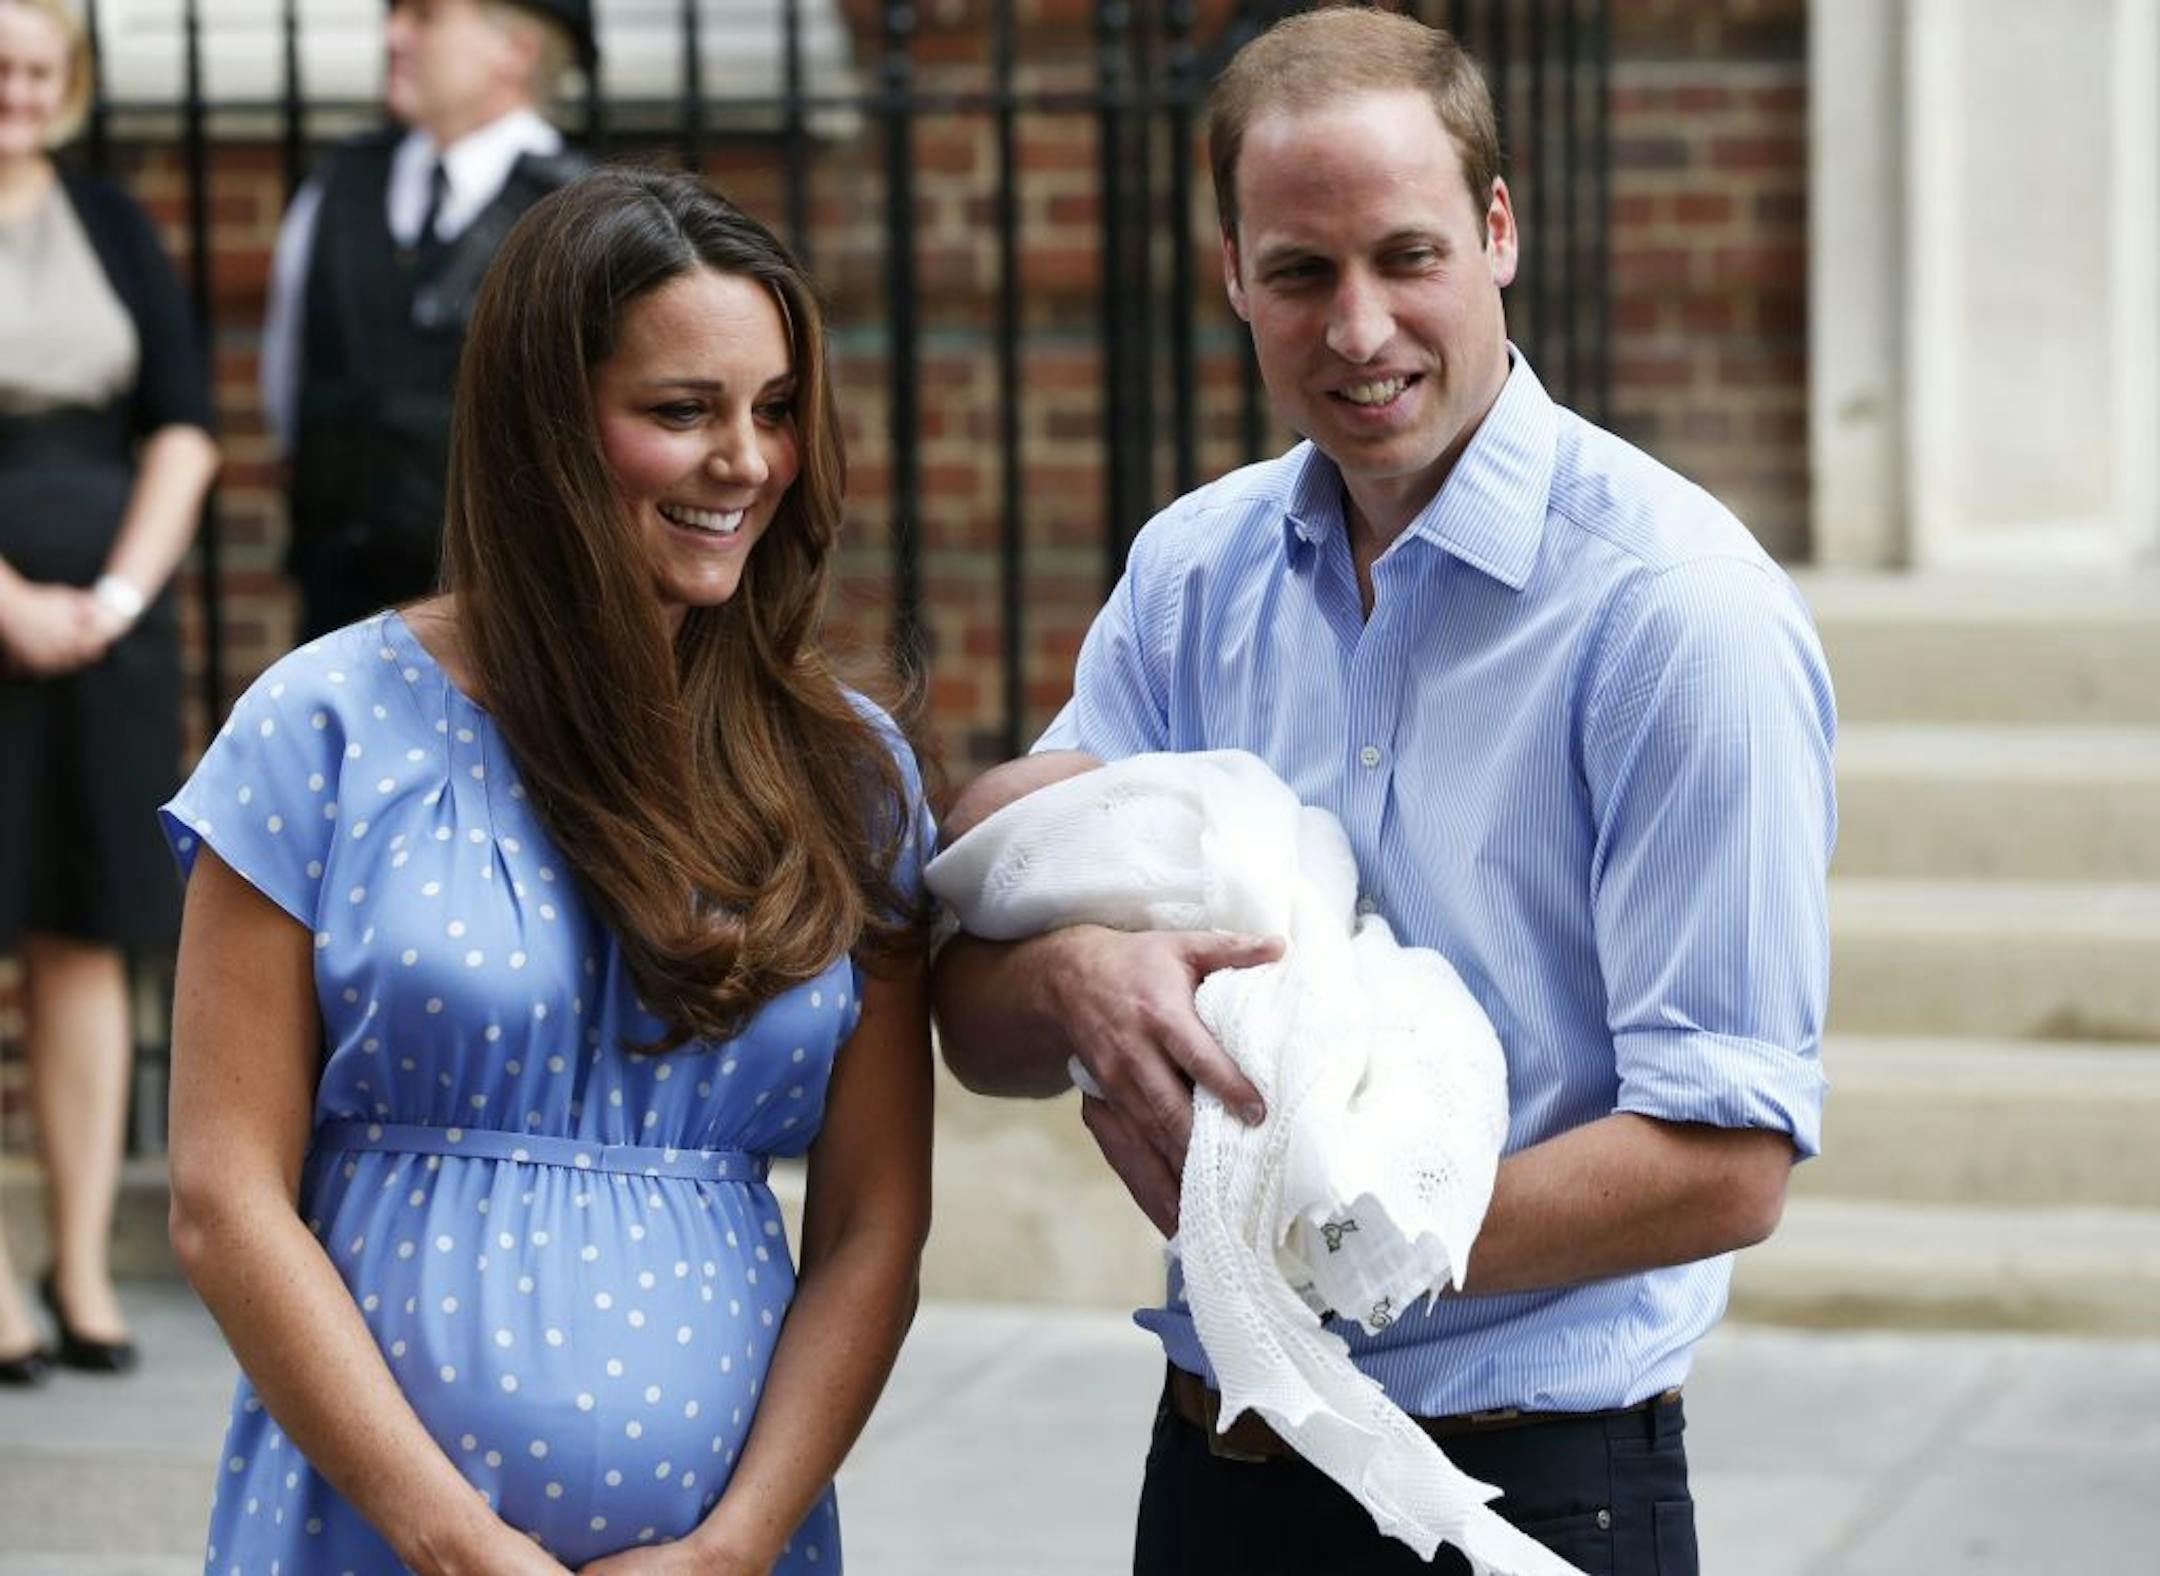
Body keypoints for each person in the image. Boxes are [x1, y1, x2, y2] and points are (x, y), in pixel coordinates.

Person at [931, 10, 1835, 1574]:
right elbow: (977, 1016)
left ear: (1497, 233)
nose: (1358, 330)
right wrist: (1077, 976)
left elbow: (1729, 1155)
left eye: (1405, 257)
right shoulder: (1187, 577)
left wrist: (1327, 1219)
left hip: (1532, 1490)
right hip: (1216, 1461)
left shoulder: (1679, 611)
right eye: (1299, 272)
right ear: (1232, 274)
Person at [162, 167, 934, 1573]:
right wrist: (457, 1546)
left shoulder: (848, 773)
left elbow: (877, 1223)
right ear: (544, 430)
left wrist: (733, 1546)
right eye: (682, 410)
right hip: (373, 1537)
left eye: (774, 411)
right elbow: (223, 1198)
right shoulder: (321, 728)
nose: (748, 461)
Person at [0, 0, 219, 1385]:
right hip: (7, 616)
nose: (12, 90)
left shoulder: (115, 223)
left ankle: (78, 1267)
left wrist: (116, 601)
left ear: (68, 83)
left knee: (86, 937)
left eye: (34, 68)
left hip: (106, 637)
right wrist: (8, 604)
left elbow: (186, 429)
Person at [261, 0, 593, 640]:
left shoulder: (579, 210)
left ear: (517, 49)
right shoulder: (341, 182)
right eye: (394, 13)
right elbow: (288, 374)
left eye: (426, 15)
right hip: (341, 609)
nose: (393, 35)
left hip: (513, 626)